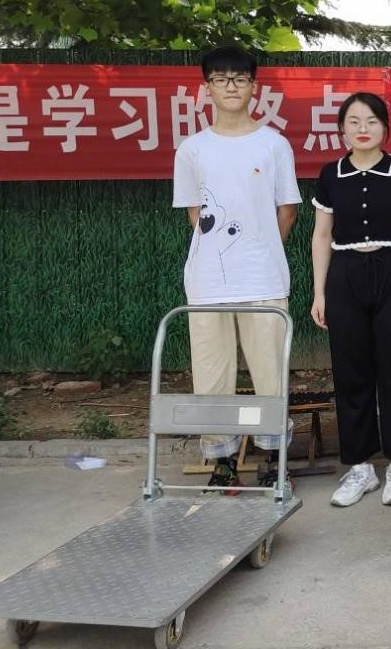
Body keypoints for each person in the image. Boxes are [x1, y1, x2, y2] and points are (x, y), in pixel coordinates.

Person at [172, 45, 301, 492]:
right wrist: (224, 253)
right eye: (221, 79)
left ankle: (274, 459)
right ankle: (222, 460)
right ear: (206, 87)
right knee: (212, 377)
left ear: (253, 87)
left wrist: (258, 249)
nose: (231, 86)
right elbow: (195, 214)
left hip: (264, 277)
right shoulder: (192, 149)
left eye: (240, 78)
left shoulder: (273, 144)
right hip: (207, 282)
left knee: (270, 373)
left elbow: (287, 211)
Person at [310, 92, 391, 508]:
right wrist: (319, 292)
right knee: (350, 371)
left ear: (385, 127)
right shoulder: (331, 174)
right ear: (342, 128)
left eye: (372, 121)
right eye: (354, 121)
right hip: (344, 275)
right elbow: (322, 234)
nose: (363, 129)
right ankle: (360, 468)